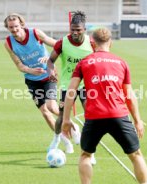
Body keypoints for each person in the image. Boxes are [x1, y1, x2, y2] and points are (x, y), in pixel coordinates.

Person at [62, 27, 147, 184]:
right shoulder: (121, 62)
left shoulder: (84, 63)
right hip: (119, 115)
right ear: (110, 42)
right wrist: (137, 120)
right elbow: (129, 95)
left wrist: (66, 119)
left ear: (92, 43)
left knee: (85, 155)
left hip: (94, 117)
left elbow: (70, 92)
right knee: (136, 154)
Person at [4, 13, 64, 151]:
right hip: (32, 80)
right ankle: (60, 138)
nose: (14, 30)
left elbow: (56, 45)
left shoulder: (35, 33)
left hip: (49, 74)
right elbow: (19, 65)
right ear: (7, 28)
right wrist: (31, 71)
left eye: (16, 26)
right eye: (11, 27)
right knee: (45, 112)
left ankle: (70, 125)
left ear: (22, 25)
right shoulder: (8, 43)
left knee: (52, 108)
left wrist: (50, 58)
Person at [47, 11, 95, 157]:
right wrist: (51, 71)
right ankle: (56, 139)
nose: (74, 32)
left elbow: (99, 60)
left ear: (84, 30)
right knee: (61, 117)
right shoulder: (62, 42)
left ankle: (89, 152)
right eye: (72, 29)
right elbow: (50, 61)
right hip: (67, 86)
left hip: (86, 86)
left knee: (90, 117)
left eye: (78, 30)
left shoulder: (92, 43)